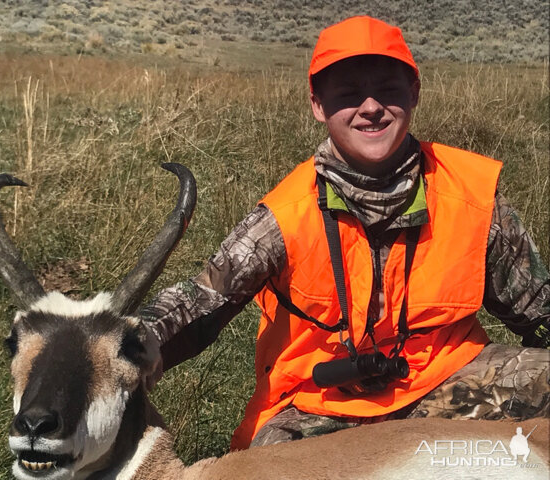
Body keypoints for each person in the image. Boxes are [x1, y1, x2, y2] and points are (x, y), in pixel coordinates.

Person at [140, 16, 550, 450]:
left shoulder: (471, 194)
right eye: (349, 94)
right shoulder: (284, 215)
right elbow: (199, 304)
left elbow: (540, 310)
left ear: (414, 94)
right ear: (318, 105)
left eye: (389, 90)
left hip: (448, 377)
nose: (371, 107)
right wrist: (124, 339)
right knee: (268, 463)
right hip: (320, 402)